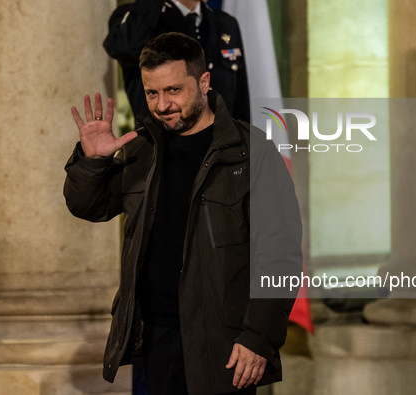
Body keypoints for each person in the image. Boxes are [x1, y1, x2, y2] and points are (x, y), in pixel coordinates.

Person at [64, 32, 302, 394]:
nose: (162, 105)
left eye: (173, 90)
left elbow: (280, 255)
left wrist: (258, 337)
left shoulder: (251, 151)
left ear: (203, 82)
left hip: (225, 344)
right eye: (152, 93)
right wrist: (93, 162)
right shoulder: (140, 149)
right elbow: (89, 206)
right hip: (156, 340)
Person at [103, 0, 250, 123]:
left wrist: (245, 150)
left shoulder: (225, 23)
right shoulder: (141, 18)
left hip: (222, 151)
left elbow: (240, 104)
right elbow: (123, 47)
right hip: (164, 152)